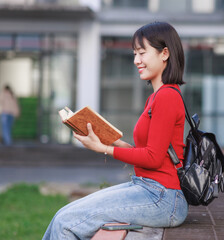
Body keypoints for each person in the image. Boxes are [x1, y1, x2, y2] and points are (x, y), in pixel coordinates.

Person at [42, 21, 188, 239]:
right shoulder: (157, 96)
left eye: (142, 52)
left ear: (164, 53)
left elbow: (153, 158)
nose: (136, 60)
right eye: (134, 53)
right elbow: (151, 152)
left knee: (66, 222)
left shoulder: (167, 96)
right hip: (149, 188)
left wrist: (103, 149)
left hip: (162, 197)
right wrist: (114, 142)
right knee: (62, 214)